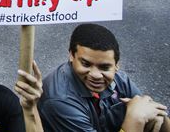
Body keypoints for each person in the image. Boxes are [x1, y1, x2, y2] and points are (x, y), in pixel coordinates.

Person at [39, 23, 170, 132]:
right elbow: (138, 116)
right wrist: (135, 119)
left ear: (116, 65)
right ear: (71, 56)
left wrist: (159, 120)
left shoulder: (120, 79)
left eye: (104, 67)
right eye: (86, 64)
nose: (95, 75)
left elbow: (153, 115)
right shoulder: (59, 100)